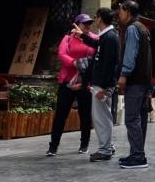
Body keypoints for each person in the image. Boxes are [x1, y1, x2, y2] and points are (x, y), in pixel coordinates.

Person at [73, 8, 120, 162]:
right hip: (100, 84)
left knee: (102, 118)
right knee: (102, 117)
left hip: (103, 85)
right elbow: (96, 44)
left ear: (100, 19)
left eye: (95, 17)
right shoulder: (106, 36)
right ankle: (108, 146)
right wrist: (82, 36)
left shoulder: (110, 37)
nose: (94, 20)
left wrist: (104, 87)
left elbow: (110, 65)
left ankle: (105, 150)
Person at [47, 14, 96, 157]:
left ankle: (84, 144)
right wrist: (74, 62)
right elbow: (62, 54)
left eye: (89, 23)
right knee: (61, 115)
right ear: (76, 25)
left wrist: (87, 64)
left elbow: (97, 55)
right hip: (67, 81)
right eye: (84, 23)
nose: (88, 26)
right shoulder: (67, 39)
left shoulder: (94, 38)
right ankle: (53, 146)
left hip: (85, 82)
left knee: (85, 115)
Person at [117, 0, 152, 169]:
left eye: (121, 11)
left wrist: (123, 75)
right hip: (144, 81)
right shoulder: (143, 28)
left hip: (135, 80)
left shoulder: (132, 29)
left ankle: (138, 156)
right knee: (140, 118)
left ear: (127, 11)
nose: (119, 14)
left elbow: (130, 54)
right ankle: (137, 153)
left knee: (131, 118)